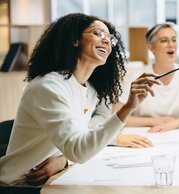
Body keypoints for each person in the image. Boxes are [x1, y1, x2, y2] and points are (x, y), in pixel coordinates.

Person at [0, 13, 159, 190]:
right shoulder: (48, 86)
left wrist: (63, 161)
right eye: (99, 33)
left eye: (110, 38)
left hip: (54, 180)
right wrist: (128, 108)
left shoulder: (89, 90)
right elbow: (79, 151)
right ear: (75, 39)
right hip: (19, 186)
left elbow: (80, 141)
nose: (107, 41)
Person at [113, 22, 179, 137]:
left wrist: (175, 123)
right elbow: (115, 116)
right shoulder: (136, 76)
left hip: (177, 135)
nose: (171, 45)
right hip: (146, 135)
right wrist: (155, 121)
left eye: (174, 40)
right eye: (164, 40)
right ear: (151, 47)